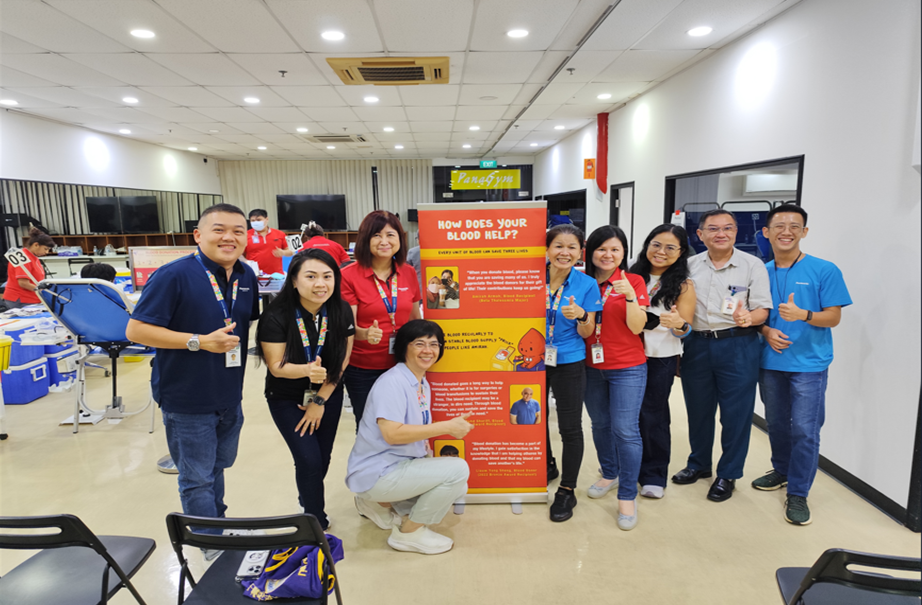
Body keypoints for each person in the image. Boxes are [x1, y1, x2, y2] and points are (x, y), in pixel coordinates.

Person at [126, 204, 260, 559]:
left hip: (229, 393)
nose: (229, 237)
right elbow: (136, 330)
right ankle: (208, 542)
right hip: (186, 397)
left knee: (218, 466)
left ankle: (216, 524)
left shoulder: (246, 276)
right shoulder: (173, 275)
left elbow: (247, 325)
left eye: (238, 230)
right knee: (196, 476)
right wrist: (198, 341)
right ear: (198, 235)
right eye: (219, 229)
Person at [752, 204, 851, 525]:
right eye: (779, 225)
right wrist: (766, 331)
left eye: (795, 226)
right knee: (777, 424)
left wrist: (805, 315)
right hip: (770, 362)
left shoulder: (824, 270)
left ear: (804, 232)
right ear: (766, 232)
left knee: (806, 430)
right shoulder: (761, 271)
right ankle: (781, 470)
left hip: (809, 364)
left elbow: (833, 317)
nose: (786, 231)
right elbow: (755, 317)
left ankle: (798, 492)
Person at [345, 320, 472, 555]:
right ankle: (409, 533)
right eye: (419, 344)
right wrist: (446, 427)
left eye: (434, 344)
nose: (428, 350)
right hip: (378, 471)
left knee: (457, 485)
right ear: (404, 347)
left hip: (398, 464)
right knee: (458, 470)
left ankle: (377, 503)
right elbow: (392, 434)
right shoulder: (392, 382)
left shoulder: (420, 381)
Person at [673, 209, 773, 502]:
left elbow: (763, 310)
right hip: (697, 345)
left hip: (738, 345)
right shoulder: (689, 266)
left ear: (735, 233)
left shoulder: (752, 265)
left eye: (728, 228)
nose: (721, 234)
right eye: (713, 229)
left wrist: (748, 319)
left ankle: (728, 473)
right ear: (700, 234)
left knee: (736, 415)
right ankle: (699, 464)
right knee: (698, 410)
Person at [256, 249, 355, 530]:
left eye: (327, 276)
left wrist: (319, 401)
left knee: (322, 458)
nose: (320, 284)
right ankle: (314, 521)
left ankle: (307, 494)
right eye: (310, 276)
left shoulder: (341, 310)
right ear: (295, 281)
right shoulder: (276, 315)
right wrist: (305, 370)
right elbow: (276, 366)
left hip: (327, 393)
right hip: (286, 397)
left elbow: (342, 362)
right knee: (308, 458)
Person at [582, 226, 650, 531]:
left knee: (626, 429)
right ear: (591, 252)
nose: (608, 255)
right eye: (601, 249)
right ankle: (609, 473)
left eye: (615, 249)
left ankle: (626, 495)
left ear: (624, 253)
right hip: (589, 365)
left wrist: (632, 298)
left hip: (627, 366)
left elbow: (638, 328)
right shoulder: (581, 282)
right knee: (600, 424)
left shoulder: (632, 281)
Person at [629, 224, 696, 500]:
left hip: (660, 357)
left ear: (680, 253)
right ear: (647, 245)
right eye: (656, 244)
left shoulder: (683, 284)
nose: (661, 252)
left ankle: (654, 474)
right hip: (625, 354)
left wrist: (678, 323)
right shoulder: (630, 276)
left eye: (671, 247)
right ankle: (626, 467)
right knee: (625, 415)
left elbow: (686, 328)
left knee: (652, 415)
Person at [543, 224, 603, 522]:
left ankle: (567, 489)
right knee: (533, 420)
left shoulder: (587, 284)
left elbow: (588, 331)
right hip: (531, 360)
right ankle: (547, 464)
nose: (564, 252)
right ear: (548, 249)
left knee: (570, 426)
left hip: (569, 360)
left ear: (580, 252)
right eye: (558, 246)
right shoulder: (530, 278)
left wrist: (580, 315)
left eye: (571, 247)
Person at [341, 211, 422, 427]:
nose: (384, 241)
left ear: (399, 239)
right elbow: (348, 326)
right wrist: (365, 333)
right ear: (365, 239)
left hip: (402, 364)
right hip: (364, 368)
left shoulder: (408, 272)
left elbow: (415, 317)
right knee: (370, 426)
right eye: (376, 235)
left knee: (404, 422)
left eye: (390, 235)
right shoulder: (349, 276)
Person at [3, 228, 55, 308]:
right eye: (46, 249)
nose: (46, 252)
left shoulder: (34, 258)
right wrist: (42, 290)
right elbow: (23, 283)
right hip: (20, 299)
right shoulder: (24, 257)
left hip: (31, 298)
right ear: (36, 245)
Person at [244, 208, 292, 275]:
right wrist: (245, 262)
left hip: (276, 275)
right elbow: (239, 254)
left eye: (258, 220)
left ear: (267, 219)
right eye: (253, 221)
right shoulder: (245, 235)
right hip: (253, 275)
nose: (256, 222)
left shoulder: (280, 234)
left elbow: (291, 252)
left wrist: (283, 252)